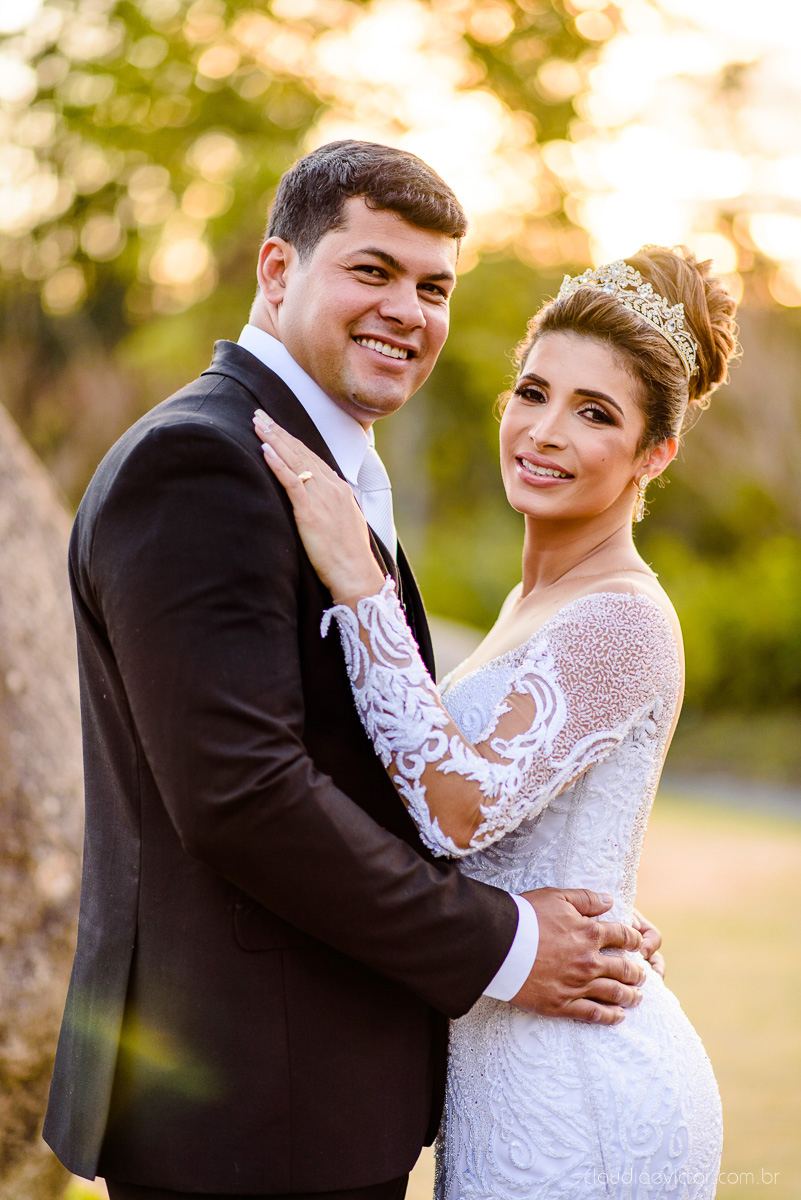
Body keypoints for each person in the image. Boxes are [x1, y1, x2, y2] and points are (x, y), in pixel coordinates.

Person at [43, 142, 657, 1200]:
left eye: (434, 288)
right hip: (245, 1110)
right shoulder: (202, 464)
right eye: (371, 271)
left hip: (316, 1101)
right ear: (278, 273)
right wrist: (509, 940)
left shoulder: (324, 469)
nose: (407, 312)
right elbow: (244, 795)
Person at [252, 244, 738, 1200]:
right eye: (534, 391)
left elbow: (457, 810)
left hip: (579, 1086)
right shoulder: (528, 608)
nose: (544, 431)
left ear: (655, 454)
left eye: (594, 413)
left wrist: (359, 584)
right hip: (502, 1068)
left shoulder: (625, 619)